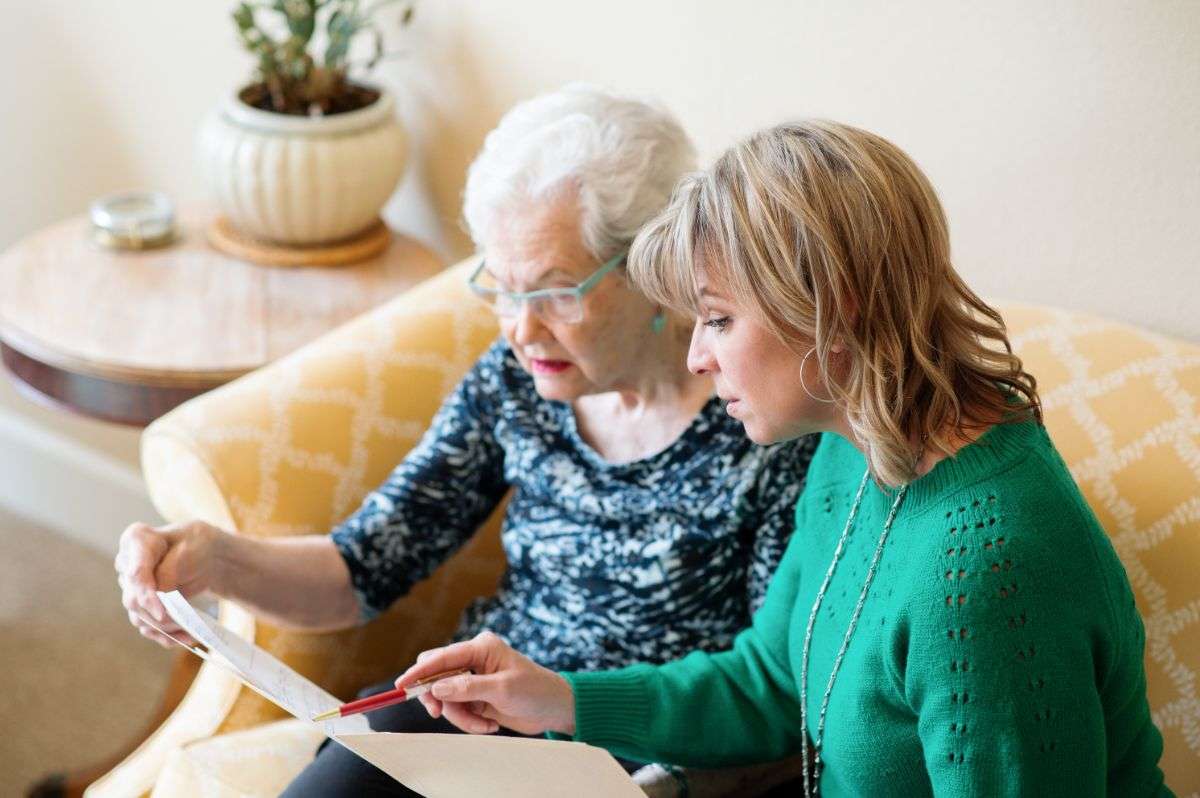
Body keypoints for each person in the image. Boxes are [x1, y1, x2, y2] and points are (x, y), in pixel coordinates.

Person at [397, 120, 1174, 797]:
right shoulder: (852, 445)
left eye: (719, 319)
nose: (698, 356)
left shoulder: (983, 573)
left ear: (834, 309)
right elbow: (769, 684)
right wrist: (556, 698)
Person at [114, 86, 816, 796]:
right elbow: (362, 568)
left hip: (645, 752)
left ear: (656, 264)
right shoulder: (517, 381)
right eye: (503, 290)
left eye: (554, 292)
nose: (520, 328)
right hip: (476, 714)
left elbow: (767, 695)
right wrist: (213, 560)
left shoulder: (759, 422)